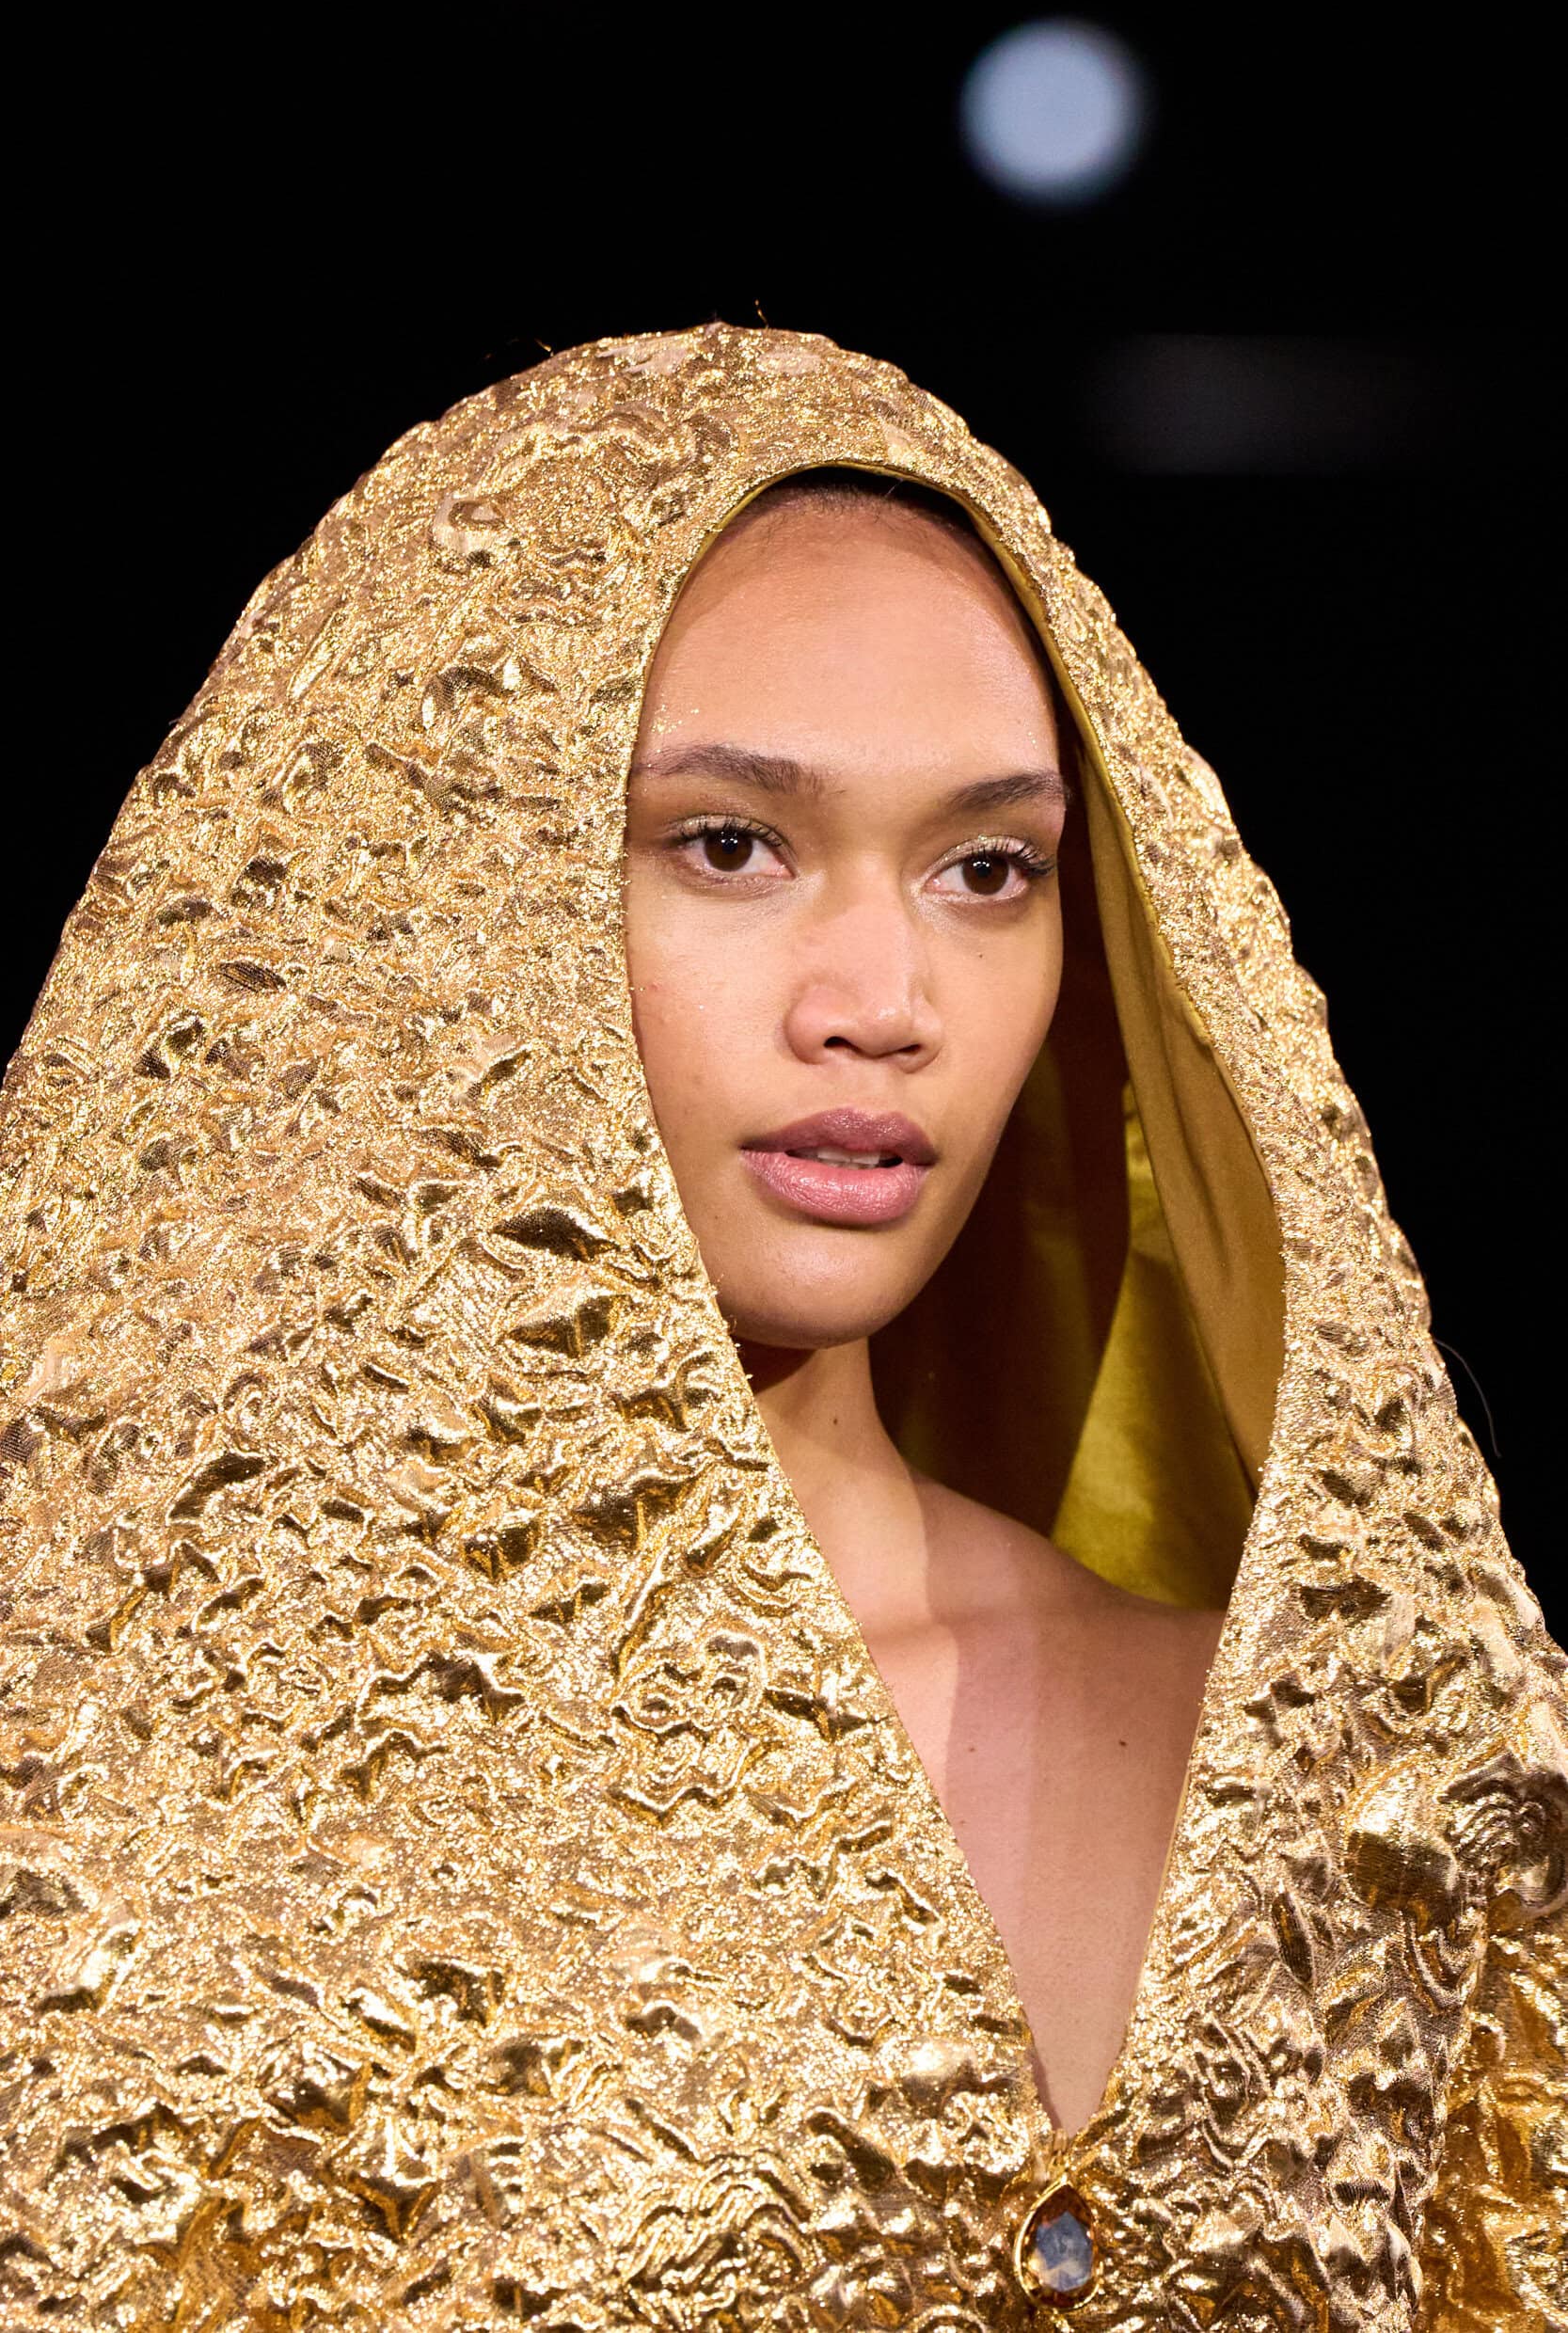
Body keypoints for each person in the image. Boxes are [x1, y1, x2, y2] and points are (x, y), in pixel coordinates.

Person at [0, 325, 1560, 2328]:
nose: (882, 1000)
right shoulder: (122, 1798)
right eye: (729, 844)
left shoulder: (1391, 1780)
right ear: (440, 901)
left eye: (988, 868)